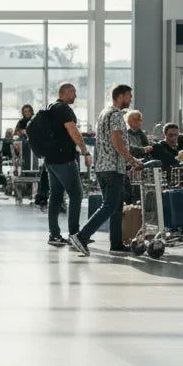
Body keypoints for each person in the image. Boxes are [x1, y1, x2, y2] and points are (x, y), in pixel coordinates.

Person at [73, 85, 143, 256]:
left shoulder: (104, 113)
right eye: (128, 96)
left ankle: (116, 244)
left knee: (117, 206)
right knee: (110, 205)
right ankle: (82, 236)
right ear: (119, 96)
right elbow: (117, 140)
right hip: (113, 168)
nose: (130, 99)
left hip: (103, 167)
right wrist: (132, 160)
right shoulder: (117, 115)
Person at [42, 83, 92, 247]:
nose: (76, 96)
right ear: (66, 92)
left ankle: (54, 235)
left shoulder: (51, 108)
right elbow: (73, 131)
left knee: (55, 196)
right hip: (64, 159)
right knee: (76, 194)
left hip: (51, 160)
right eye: (74, 93)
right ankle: (74, 235)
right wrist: (85, 152)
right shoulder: (63, 109)